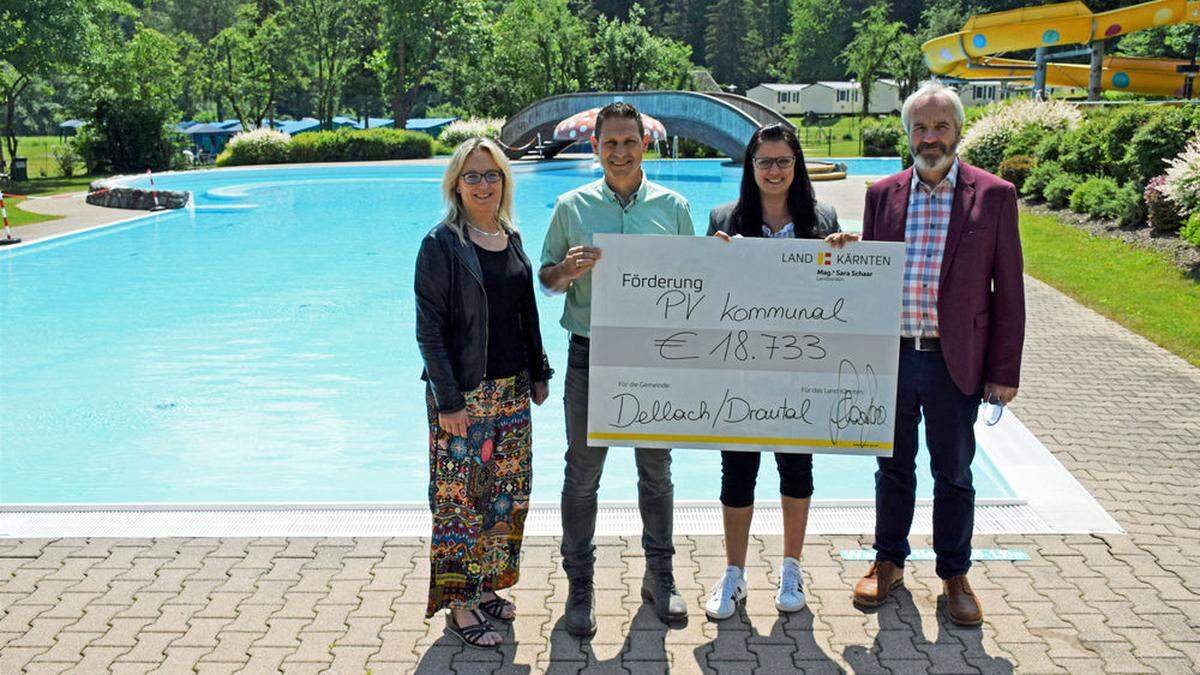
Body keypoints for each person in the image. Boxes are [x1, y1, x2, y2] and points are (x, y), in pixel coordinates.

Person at [851, 82, 1025, 626]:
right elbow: (870, 275)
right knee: (892, 468)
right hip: (895, 358)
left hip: (956, 363)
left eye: (940, 127)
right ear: (908, 134)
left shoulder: (994, 195)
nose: (930, 138)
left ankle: (954, 573)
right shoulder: (882, 194)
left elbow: (1009, 291)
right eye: (920, 128)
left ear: (957, 130)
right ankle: (889, 561)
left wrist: (1003, 371)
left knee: (954, 472)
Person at [539, 102, 695, 635]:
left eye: (629, 141)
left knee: (657, 470)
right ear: (595, 147)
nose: (620, 151)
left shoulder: (674, 208)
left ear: (644, 145)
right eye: (611, 143)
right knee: (583, 476)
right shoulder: (571, 206)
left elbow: (696, 283)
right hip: (590, 352)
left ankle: (661, 576)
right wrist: (565, 270)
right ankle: (579, 586)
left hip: (655, 353)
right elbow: (546, 279)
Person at [703, 124, 857, 620]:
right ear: (751, 167)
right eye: (764, 161)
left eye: (783, 161)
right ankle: (734, 573)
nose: (774, 170)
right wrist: (710, 260)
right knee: (737, 472)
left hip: (801, 371)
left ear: (797, 166)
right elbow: (702, 299)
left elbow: (843, 295)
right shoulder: (724, 218)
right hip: (740, 370)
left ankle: (792, 566)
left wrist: (849, 256)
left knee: (796, 469)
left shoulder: (822, 218)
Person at [415, 137, 553, 648]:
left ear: (504, 181)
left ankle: (489, 584)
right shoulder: (441, 243)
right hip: (464, 397)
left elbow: (526, 312)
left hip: (512, 392)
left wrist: (538, 371)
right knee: (460, 501)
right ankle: (459, 605)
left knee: (507, 497)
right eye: (471, 175)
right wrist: (448, 400)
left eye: (491, 174)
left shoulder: (511, 236)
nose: (482, 184)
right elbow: (429, 329)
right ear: (455, 183)